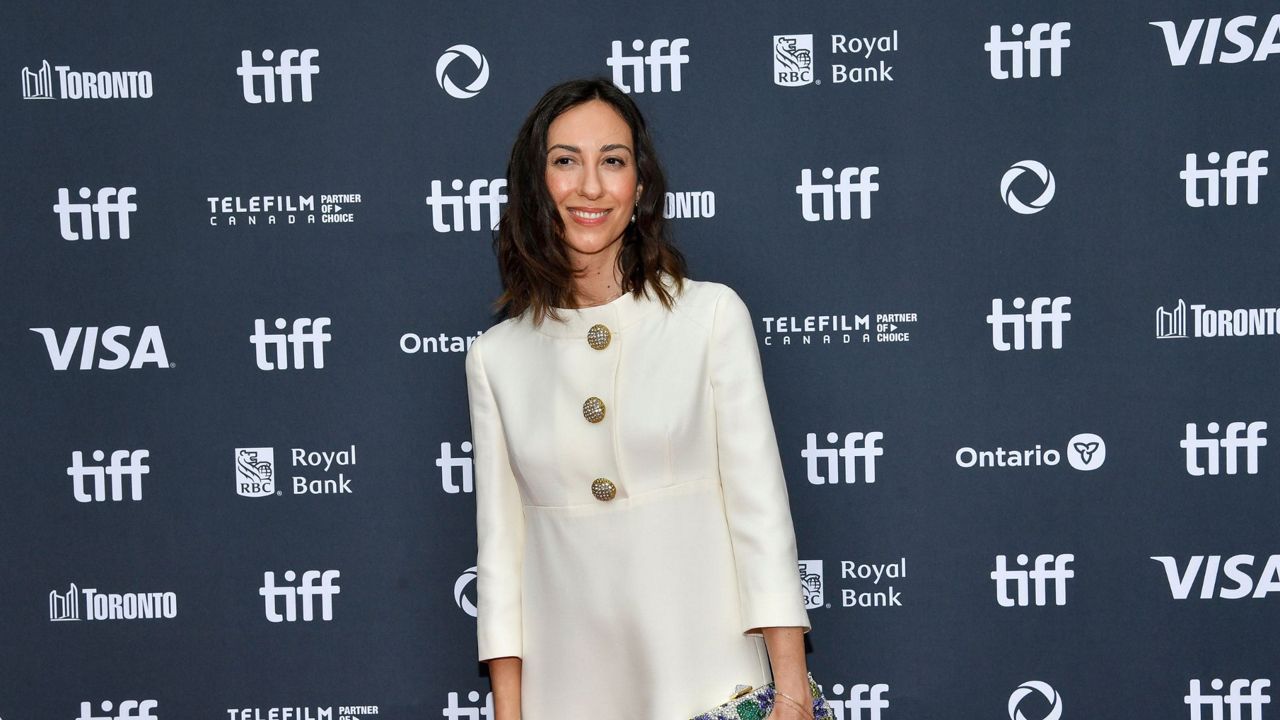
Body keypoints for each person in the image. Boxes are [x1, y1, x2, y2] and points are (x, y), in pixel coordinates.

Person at [464, 77, 814, 720]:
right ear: (534, 185)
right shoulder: (497, 358)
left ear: (641, 186)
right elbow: (501, 553)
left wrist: (792, 692)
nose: (590, 186)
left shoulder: (710, 317)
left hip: (706, 676)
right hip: (567, 691)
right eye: (565, 160)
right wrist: (508, 712)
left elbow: (759, 512)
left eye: (613, 161)